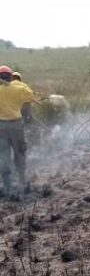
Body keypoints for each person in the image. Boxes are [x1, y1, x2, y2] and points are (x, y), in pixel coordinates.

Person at [0, 65, 38, 193]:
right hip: (16, 126)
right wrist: (17, 85)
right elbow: (30, 95)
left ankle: (6, 185)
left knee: (3, 155)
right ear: (10, 77)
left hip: (1, 127)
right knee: (20, 153)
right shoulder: (18, 89)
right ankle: (22, 181)